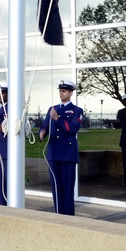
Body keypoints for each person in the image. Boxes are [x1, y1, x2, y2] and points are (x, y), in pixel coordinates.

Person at [39, 79, 83, 215]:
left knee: (67, 188)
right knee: (56, 188)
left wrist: (58, 118)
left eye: (64, 91)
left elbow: (72, 128)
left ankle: (68, 217)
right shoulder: (53, 109)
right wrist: (42, 132)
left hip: (68, 155)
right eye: (60, 90)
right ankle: (58, 214)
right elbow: (45, 125)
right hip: (53, 154)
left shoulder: (76, 111)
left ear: (71, 93)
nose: (61, 93)